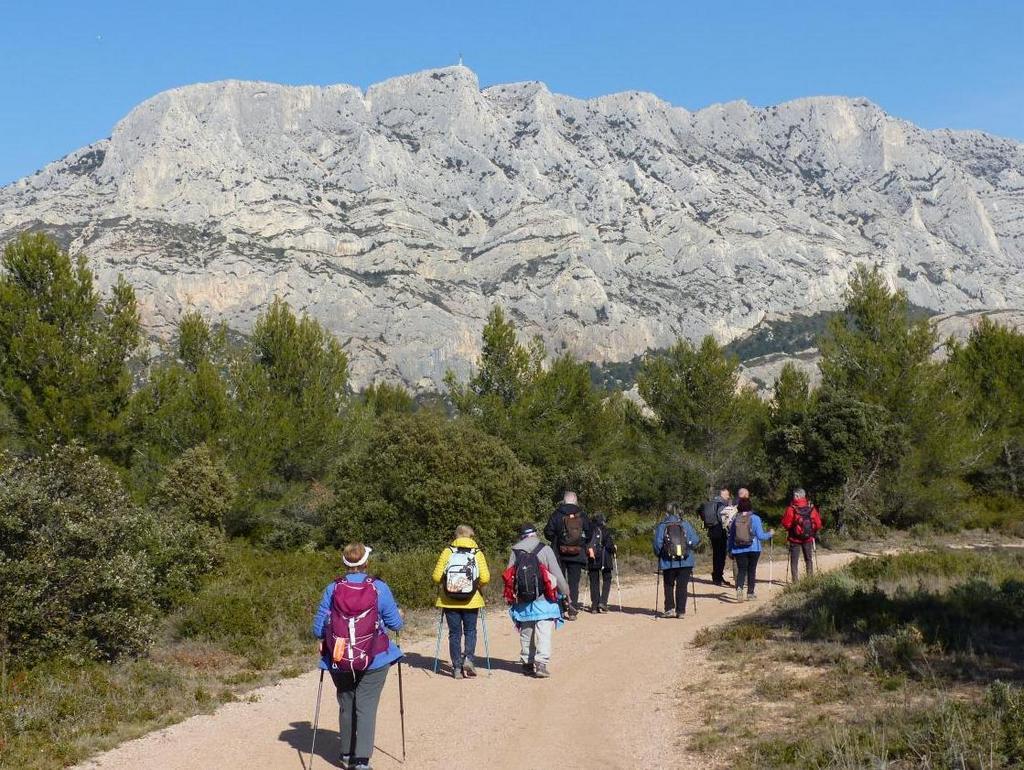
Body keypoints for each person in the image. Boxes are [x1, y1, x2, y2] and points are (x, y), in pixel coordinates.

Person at [312, 543, 403, 770]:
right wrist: (399, 615)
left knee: (346, 701)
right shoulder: (379, 588)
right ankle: (361, 761)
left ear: (344, 563)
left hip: (339, 655)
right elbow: (396, 624)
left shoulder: (332, 589)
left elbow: (317, 630)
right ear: (366, 563)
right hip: (374, 656)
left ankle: (345, 754)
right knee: (366, 705)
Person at [506, 523, 570, 678]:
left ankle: (527, 663)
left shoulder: (515, 551)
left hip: (523, 600)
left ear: (521, 536)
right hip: (544, 599)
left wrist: (510, 597)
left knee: (526, 631)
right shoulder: (545, 549)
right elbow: (556, 573)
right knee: (543, 631)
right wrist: (566, 592)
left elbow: (509, 575)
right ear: (535, 533)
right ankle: (541, 663)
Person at [431, 524, 490, 679]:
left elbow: (436, 577)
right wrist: (475, 587)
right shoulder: (477, 553)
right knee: (470, 631)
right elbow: (485, 578)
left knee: (454, 633)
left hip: (449, 600)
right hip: (472, 600)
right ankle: (469, 659)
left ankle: (456, 668)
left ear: (456, 536)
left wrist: (448, 585)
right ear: (470, 536)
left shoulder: (447, 552)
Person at [544, 490, 591, 618]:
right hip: (577, 553)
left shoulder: (557, 514)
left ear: (564, 501)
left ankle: (560, 607)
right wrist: (581, 543)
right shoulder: (582, 515)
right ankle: (572, 608)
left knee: (560, 580)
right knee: (574, 582)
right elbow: (589, 532)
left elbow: (548, 531)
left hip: (559, 553)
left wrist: (557, 540)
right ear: (575, 500)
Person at [652, 503, 701, 618]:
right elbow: (695, 540)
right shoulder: (686, 524)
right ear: (679, 512)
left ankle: (669, 609)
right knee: (682, 586)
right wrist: (688, 549)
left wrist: (659, 555)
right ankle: (681, 611)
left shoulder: (662, 526)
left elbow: (657, 544)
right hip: (686, 561)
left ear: (666, 513)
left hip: (668, 561)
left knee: (669, 585)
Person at [727, 497, 774, 601]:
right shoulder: (755, 518)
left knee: (742, 570)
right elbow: (761, 536)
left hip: (738, 549)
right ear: (750, 506)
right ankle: (750, 593)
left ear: (738, 507)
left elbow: (731, 537)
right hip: (754, 548)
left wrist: (729, 550)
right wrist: (770, 534)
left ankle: (739, 588)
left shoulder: (735, 519)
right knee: (751, 571)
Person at [781, 487, 823, 581]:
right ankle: (810, 580)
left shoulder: (791, 509)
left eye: (794, 495)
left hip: (794, 539)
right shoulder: (811, 508)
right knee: (808, 559)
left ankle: (795, 582)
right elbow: (819, 524)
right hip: (808, 538)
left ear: (797, 496)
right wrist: (812, 531)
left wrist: (792, 528)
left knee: (794, 561)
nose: (793, 497)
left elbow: (786, 524)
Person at [698, 488, 734, 586]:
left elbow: (700, 511)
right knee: (721, 556)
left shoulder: (711, 502)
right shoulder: (721, 505)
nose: (728, 497)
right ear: (723, 495)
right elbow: (722, 519)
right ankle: (718, 578)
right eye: (727, 495)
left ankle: (716, 577)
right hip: (720, 532)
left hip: (712, 531)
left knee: (716, 555)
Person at [585, 513, 616, 613]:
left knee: (594, 581)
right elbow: (610, 546)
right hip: (604, 558)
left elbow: (585, 543)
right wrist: (614, 549)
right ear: (602, 521)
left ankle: (594, 606)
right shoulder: (605, 530)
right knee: (607, 578)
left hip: (592, 558)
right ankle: (603, 602)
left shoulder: (589, 531)